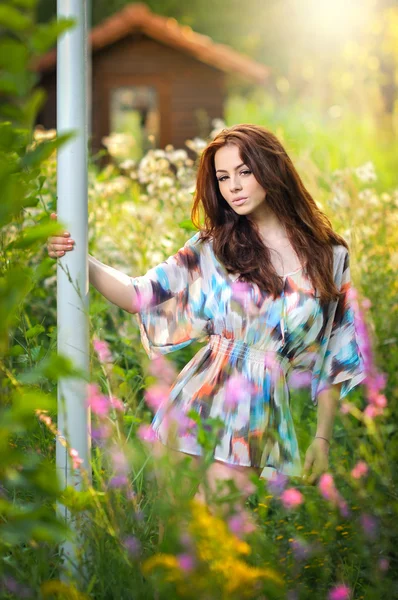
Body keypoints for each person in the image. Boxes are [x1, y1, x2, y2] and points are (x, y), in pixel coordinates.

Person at [47, 123, 365, 509]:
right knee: (178, 542)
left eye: (245, 172)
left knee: (219, 537)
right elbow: (138, 294)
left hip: (258, 412)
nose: (233, 186)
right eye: (223, 177)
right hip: (196, 400)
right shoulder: (215, 247)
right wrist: (80, 256)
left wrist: (321, 439)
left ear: (272, 169)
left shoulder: (329, 256)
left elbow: (336, 353)